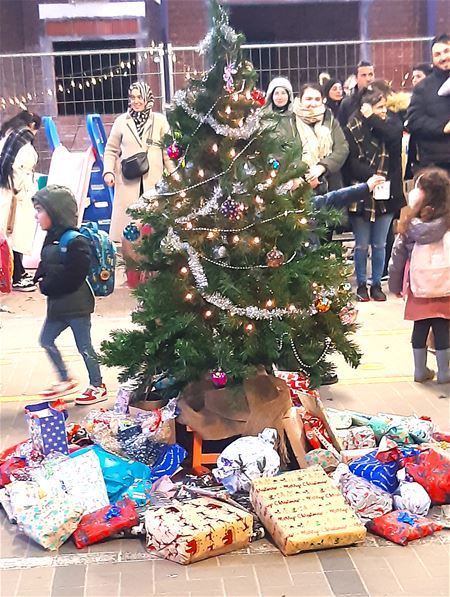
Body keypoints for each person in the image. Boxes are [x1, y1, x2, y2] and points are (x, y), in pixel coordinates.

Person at [32, 185, 108, 404]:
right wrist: (39, 277)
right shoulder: (51, 237)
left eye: (40, 210)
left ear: (55, 211)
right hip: (57, 307)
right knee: (46, 340)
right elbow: (47, 262)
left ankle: (97, 385)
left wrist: (47, 285)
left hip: (77, 307)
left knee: (84, 346)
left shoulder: (75, 240)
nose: (37, 217)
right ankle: (65, 379)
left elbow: (74, 275)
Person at [343, 86, 405, 302]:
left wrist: (373, 119)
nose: (383, 111)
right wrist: (371, 177)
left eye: (384, 106)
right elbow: (350, 162)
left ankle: (376, 283)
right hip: (361, 191)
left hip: (387, 193)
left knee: (380, 244)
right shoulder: (352, 126)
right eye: (378, 107)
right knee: (361, 244)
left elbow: (392, 136)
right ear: (365, 107)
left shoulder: (391, 124)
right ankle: (361, 285)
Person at [388, 168, 450, 384]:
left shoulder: (409, 224)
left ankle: (419, 370)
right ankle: (444, 372)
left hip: (418, 285)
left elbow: (397, 256)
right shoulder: (448, 221)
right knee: (442, 326)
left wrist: (394, 285)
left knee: (420, 326)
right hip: (445, 284)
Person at [103, 82, 173, 242]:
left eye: (139, 97)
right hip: (128, 181)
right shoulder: (121, 121)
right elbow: (111, 150)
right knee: (127, 231)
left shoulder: (160, 121)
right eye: (133, 97)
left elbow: (167, 151)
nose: (136, 101)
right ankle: (127, 260)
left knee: (154, 230)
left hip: (153, 182)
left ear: (147, 98)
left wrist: (174, 174)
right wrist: (108, 171)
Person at [0, 110, 41, 291]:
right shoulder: (24, 140)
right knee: (15, 236)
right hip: (16, 197)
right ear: (32, 126)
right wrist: (23, 188)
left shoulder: (8, 135)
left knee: (9, 236)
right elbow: (19, 169)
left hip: (6, 193)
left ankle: (17, 272)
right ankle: (16, 276)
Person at [293, 83, 349, 194]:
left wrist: (321, 167)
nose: (312, 104)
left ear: (322, 100)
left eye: (317, 99)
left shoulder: (330, 120)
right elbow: (287, 151)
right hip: (300, 184)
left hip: (331, 184)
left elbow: (342, 148)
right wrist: (306, 173)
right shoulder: (290, 121)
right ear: (300, 99)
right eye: (308, 99)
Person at [406, 34, 450, 175]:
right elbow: (413, 121)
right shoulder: (423, 88)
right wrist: (442, 128)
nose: (443, 57)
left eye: (446, 51)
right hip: (437, 165)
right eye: (437, 54)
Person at [338, 61, 375, 127]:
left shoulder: (382, 99)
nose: (368, 79)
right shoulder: (347, 103)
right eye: (363, 75)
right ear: (356, 78)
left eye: (370, 74)